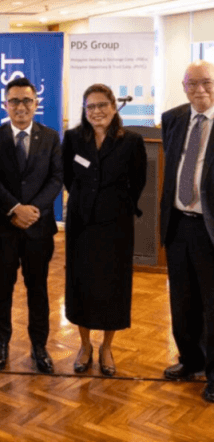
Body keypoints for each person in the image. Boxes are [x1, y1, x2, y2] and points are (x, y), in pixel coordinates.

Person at [62, 84, 146, 376]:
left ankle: (107, 346)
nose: (96, 112)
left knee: (113, 286)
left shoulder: (131, 141)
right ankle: (84, 345)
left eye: (102, 105)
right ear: (84, 112)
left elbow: (138, 182)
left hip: (116, 225)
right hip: (81, 224)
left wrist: (115, 204)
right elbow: (67, 177)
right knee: (81, 284)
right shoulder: (73, 138)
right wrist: (86, 201)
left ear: (113, 106)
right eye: (90, 107)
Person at [0, 77, 62, 374]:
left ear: (36, 104)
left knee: (37, 289)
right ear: (5, 105)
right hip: (3, 227)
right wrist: (15, 209)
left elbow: (56, 178)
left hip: (38, 229)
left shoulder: (51, 137)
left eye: (27, 101)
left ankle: (39, 347)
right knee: (2, 289)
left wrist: (33, 210)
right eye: (14, 101)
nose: (21, 106)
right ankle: (0, 344)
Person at [160, 60, 214, 403]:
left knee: (213, 304)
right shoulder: (174, 118)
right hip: (178, 224)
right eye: (192, 84)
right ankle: (190, 360)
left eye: (207, 83)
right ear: (183, 86)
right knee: (181, 301)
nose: (200, 90)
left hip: (210, 229)